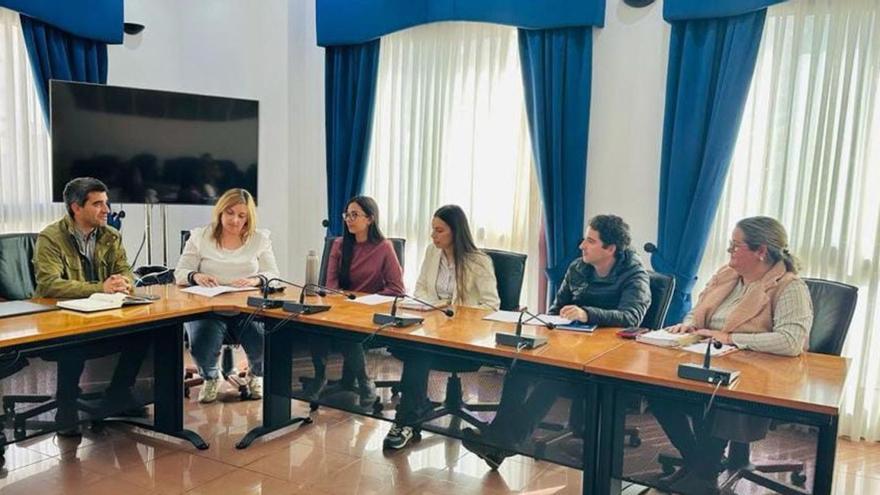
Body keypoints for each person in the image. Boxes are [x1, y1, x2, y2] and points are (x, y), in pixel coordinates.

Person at [462, 214, 651, 468]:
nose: (581, 246)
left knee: (553, 378)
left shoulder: (635, 274)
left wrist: (587, 313)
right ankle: (499, 437)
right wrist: (541, 321)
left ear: (611, 248)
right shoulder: (578, 268)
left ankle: (504, 442)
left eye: (590, 241)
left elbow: (632, 316)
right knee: (520, 365)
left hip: (609, 358)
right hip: (571, 347)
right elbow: (556, 310)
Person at [652, 216, 813, 494]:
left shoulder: (789, 286)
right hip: (708, 360)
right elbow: (699, 309)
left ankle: (701, 475)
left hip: (757, 379)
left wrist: (731, 338)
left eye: (735, 246)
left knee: (718, 399)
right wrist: (689, 324)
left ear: (760, 251)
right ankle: (700, 462)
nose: (729, 251)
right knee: (656, 389)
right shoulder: (726, 276)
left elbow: (790, 342)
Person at [34, 177, 149, 436]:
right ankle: (66, 405)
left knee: (145, 332)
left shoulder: (111, 235)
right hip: (62, 317)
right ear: (76, 207)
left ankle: (117, 395)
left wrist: (124, 282)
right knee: (74, 344)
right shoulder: (50, 238)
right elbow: (49, 284)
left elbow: (125, 270)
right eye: (98, 204)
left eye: (106, 203)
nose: (106, 210)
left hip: (103, 312)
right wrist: (101, 287)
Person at [383, 205, 500, 449]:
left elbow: (491, 305)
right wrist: (434, 308)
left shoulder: (479, 261)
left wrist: (453, 311)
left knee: (416, 352)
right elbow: (421, 289)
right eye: (432, 230)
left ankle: (405, 420)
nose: (433, 236)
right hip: (432, 331)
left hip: (465, 341)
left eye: (439, 231)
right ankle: (412, 411)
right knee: (407, 344)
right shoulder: (432, 253)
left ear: (456, 232)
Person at [175, 188, 279, 403]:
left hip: (245, 307)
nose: (234, 220)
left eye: (242, 216)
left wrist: (255, 280)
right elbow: (180, 273)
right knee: (202, 339)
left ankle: (255, 374)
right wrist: (197, 276)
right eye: (230, 213)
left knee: (263, 338)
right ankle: (211, 377)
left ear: (248, 218)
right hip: (207, 307)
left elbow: (273, 275)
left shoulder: (259, 239)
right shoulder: (200, 236)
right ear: (220, 212)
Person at [305, 196, 405, 407]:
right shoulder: (339, 245)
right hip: (341, 310)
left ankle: (364, 381)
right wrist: (343, 301)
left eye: (354, 215)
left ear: (370, 219)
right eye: (347, 215)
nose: (349, 219)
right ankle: (320, 376)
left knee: (348, 335)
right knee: (311, 324)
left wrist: (368, 300)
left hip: (369, 314)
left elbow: (397, 289)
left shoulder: (384, 247)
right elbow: (331, 287)